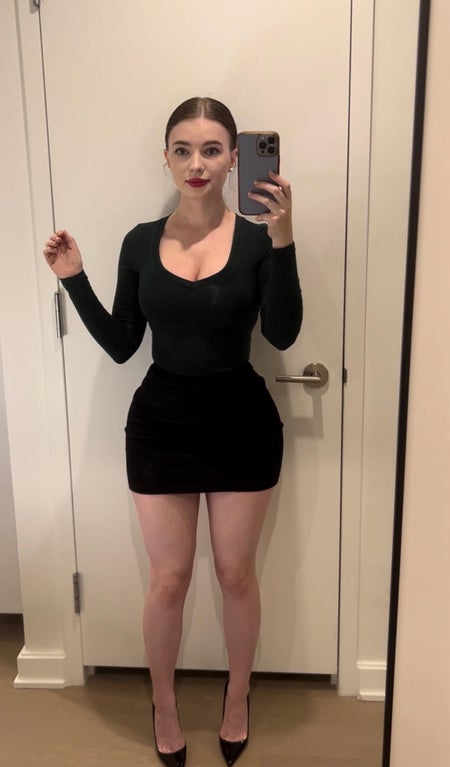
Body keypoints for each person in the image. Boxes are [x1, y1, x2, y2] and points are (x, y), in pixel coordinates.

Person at [43, 97, 302, 767]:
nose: (196, 163)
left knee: (236, 574)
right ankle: (163, 702)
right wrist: (75, 280)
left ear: (234, 159)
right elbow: (123, 344)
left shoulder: (257, 240)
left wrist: (283, 238)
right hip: (160, 424)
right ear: (165, 157)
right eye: (182, 149)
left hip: (241, 424)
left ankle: (237, 697)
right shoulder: (139, 241)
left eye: (211, 149)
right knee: (169, 578)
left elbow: (281, 334)